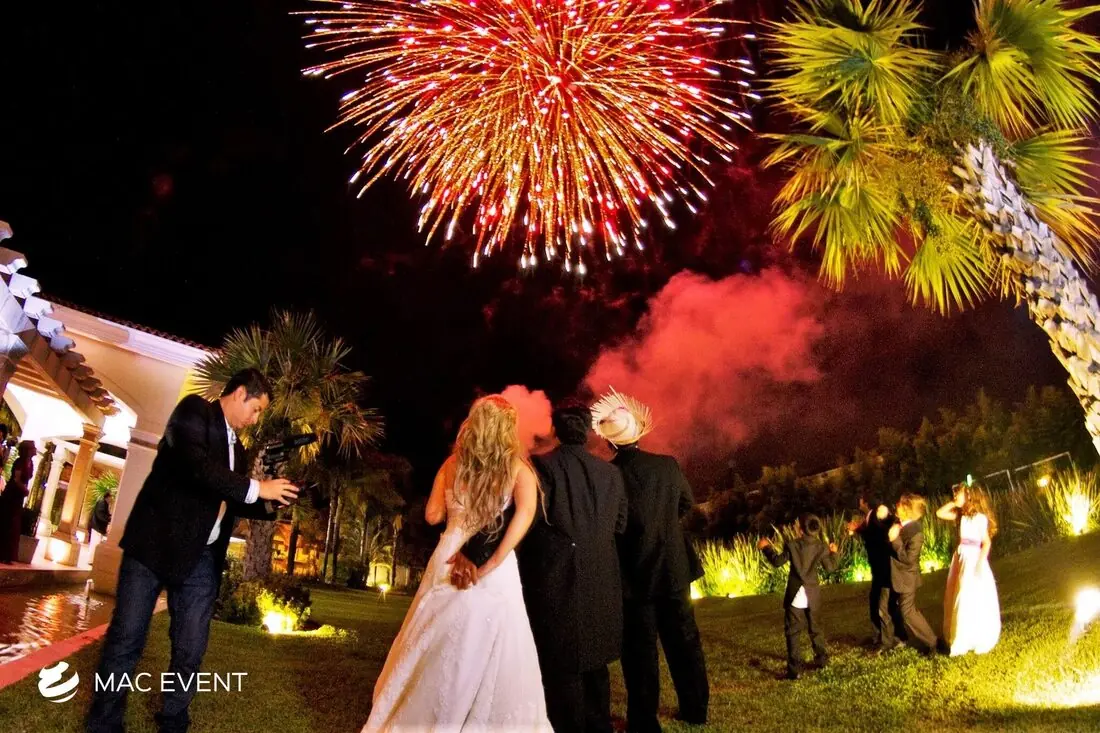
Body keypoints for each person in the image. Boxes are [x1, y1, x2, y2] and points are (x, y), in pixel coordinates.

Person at [87, 369, 298, 733]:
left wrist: (272, 501)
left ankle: (173, 721)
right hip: (153, 546)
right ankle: (104, 724)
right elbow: (195, 467)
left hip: (202, 557)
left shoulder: (238, 451)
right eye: (257, 409)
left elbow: (233, 496)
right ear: (240, 393)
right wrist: (257, 488)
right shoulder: (193, 412)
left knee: (191, 648)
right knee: (127, 638)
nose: (255, 419)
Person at [363, 395, 552, 732]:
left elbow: (432, 515)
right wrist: (491, 564)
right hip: (494, 565)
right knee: (492, 640)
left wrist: (455, 509)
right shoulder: (518, 469)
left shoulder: (452, 464)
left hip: (449, 552)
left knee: (432, 634)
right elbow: (522, 520)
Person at [451, 401, 628, 733]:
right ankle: (599, 725)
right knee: (596, 661)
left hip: (554, 574)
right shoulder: (611, 473)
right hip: (602, 576)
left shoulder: (540, 466)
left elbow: (516, 515)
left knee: (560, 663)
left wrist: (474, 550)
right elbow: (620, 524)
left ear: (555, 431)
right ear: (588, 432)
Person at [592, 389, 708, 733]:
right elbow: (686, 504)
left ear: (609, 443)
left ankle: (644, 720)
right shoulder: (667, 465)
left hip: (634, 576)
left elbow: (609, 526)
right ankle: (695, 709)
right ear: (638, 433)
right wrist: (665, 528)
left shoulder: (607, 476)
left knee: (640, 652)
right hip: (673, 569)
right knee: (685, 641)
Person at [759, 514, 838, 680]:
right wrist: (834, 553)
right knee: (816, 629)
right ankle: (821, 660)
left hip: (796, 594)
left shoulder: (792, 545)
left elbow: (777, 562)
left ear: (801, 530)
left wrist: (766, 548)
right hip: (812, 593)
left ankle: (795, 670)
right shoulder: (822, 546)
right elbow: (830, 568)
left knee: (793, 631)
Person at [936, 483, 1001, 656]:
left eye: (959, 494)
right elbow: (939, 513)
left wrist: (980, 562)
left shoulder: (979, 518)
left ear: (969, 496)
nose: (955, 496)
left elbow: (986, 542)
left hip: (973, 557)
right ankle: (961, 636)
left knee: (968, 594)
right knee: (957, 593)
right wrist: (954, 503)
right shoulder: (960, 516)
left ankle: (976, 636)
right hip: (961, 557)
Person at [886, 493, 941, 655]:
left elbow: (909, 559)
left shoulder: (916, 532)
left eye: (900, 504)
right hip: (895, 576)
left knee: (907, 611)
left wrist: (894, 540)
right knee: (890, 606)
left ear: (907, 509)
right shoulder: (899, 524)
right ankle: (895, 638)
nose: (896, 505)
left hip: (906, 577)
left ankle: (932, 642)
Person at [847, 492, 896, 649]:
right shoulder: (869, 518)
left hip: (883, 566)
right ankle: (878, 635)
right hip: (876, 566)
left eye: (861, 500)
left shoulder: (878, 516)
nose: (859, 503)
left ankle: (887, 639)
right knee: (874, 601)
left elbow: (876, 534)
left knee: (882, 604)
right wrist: (856, 530)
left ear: (866, 502)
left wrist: (858, 530)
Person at [0, 440, 35, 564]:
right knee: (7, 522)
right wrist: (24, 489)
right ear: (28, 450)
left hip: (19, 496)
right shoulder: (20, 462)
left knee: (13, 524)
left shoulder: (31, 463)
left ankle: (7, 555)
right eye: (33, 448)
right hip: (12, 494)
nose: (35, 450)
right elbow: (16, 479)